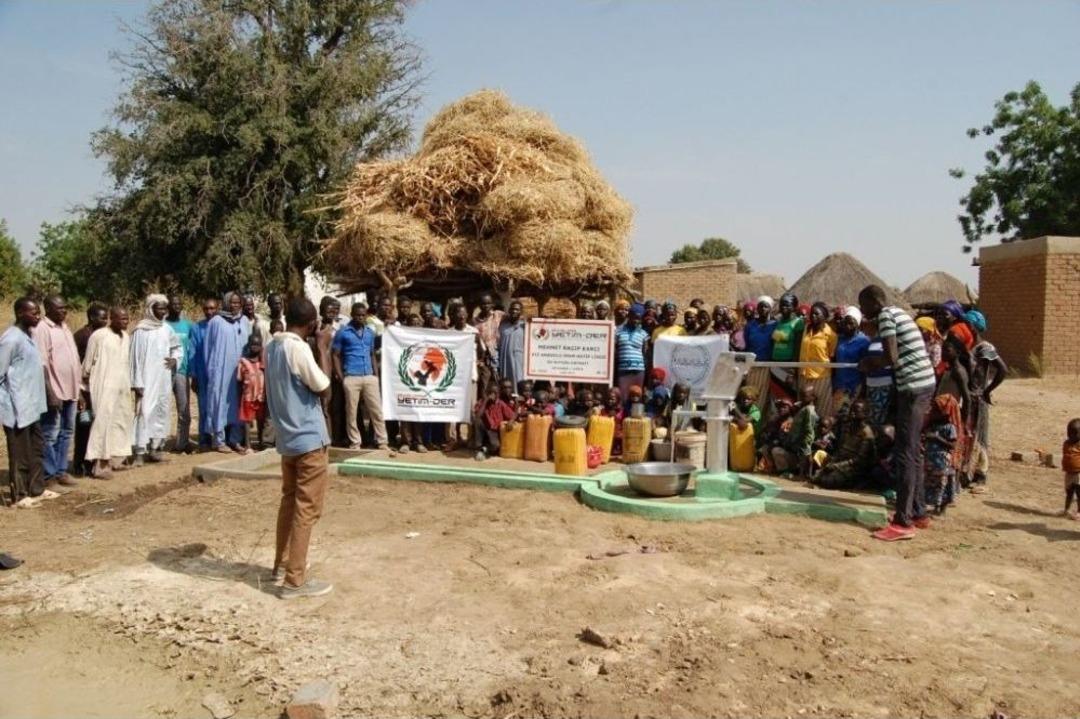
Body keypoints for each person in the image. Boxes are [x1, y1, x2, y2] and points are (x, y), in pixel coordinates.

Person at [265, 297, 334, 599]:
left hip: (288, 440)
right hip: (309, 440)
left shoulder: (272, 347)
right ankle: (294, 581)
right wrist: (323, 348)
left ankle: (281, 565)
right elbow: (324, 388)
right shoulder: (299, 348)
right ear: (312, 323)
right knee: (306, 509)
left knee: (289, 502)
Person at [858, 284, 936, 541]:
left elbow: (890, 358)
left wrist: (869, 364)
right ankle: (918, 511)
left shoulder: (886, 317)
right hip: (922, 385)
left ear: (874, 301)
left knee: (905, 453)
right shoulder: (899, 313)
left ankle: (903, 522)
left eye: (863, 305)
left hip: (913, 388)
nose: (862, 311)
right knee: (912, 451)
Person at [1, 298, 48, 506]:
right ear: (20, 313)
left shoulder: (28, 335)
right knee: (19, 453)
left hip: (32, 406)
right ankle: (20, 495)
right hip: (16, 408)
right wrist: (6, 404)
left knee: (36, 449)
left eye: (39, 312)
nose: (38, 316)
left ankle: (36, 489)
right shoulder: (11, 339)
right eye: (34, 313)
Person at [32, 295, 81, 488]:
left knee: (66, 432)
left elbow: (73, 362)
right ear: (48, 309)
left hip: (71, 390)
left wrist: (79, 391)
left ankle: (61, 471)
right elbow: (41, 363)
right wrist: (50, 392)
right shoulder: (42, 329)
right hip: (55, 391)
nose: (64, 311)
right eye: (59, 308)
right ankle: (48, 475)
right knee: (50, 434)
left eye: (65, 307)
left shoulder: (65, 327)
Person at [83, 307, 135, 479]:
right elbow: (87, 364)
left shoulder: (125, 337)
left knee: (120, 420)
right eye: (122, 319)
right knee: (102, 423)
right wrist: (84, 389)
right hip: (103, 385)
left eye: (127, 319)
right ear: (112, 318)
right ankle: (100, 465)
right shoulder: (99, 336)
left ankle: (115, 459)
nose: (126, 322)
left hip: (121, 385)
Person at [130, 294, 181, 465]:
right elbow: (134, 358)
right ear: (151, 309)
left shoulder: (167, 329)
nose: (163, 311)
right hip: (146, 380)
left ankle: (155, 449)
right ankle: (139, 452)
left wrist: (175, 359)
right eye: (160, 308)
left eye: (165, 308)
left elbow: (177, 347)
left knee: (161, 412)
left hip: (163, 379)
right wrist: (137, 382)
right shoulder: (141, 331)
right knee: (144, 412)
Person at [332, 302, 388, 450]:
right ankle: (355, 442)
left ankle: (382, 441)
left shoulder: (369, 333)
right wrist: (341, 376)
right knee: (351, 412)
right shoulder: (343, 332)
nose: (360, 318)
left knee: (376, 410)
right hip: (351, 376)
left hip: (369, 376)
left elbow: (372, 354)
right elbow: (335, 355)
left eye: (363, 315)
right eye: (358, 315)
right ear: (352, 315)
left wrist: (376, 375)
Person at [964, 309, 1006, 493]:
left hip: (978, 396)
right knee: (968, 433)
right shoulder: (968, 345)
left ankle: (981, 474)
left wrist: (987, 390)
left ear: (974, 327)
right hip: (968, 396)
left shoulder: (984, 347)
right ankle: (968, 471)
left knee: (980, 435)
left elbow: (1002, 369)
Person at [203, 292, 251, 453]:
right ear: (225, 303)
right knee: (220, 403)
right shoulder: (216, 322)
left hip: (240, 371)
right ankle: (219, 440)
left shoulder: (244, 321)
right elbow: (208, 348)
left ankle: (235, 439)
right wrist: (212, 370)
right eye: (232, 302)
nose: (235, 305)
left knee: (237, 404)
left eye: (237, 302)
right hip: (221, 372)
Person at [72, 303, 109, 476]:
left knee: (96, 427)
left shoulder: (103, 335)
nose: (106, 321)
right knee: (84, 426)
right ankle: (79, 463)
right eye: (103, 318)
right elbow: (74, 365)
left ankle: (91, 462)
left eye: (107, 318)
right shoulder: (82, 336)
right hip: (84, 392)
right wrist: (79, 394)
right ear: (92, 318)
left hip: (99, 390)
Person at [812, 400, 877, 491]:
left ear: (864, 414)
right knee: (817, 475)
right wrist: (832, 463)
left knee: (827, 481)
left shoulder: (866, 433)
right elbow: (841, 450)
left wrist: (836, 466)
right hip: (842, 463)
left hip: (854, 468)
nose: (852, 413)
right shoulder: (847, 428)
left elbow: (858, 460)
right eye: (851, 410)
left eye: (856, 411)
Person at [164, 294, 195, 453]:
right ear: (168, 306)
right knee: (161, 408)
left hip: (182, 371)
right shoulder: (162, 325)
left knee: (184, 409)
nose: (176, 307)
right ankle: (156, 444)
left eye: (179, 304)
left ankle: (182, 442)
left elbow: (192, 348)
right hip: (164, 372)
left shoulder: (187, 326)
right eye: (173, 304)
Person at [188, 297, 220, 448]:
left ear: (217, 309)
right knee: (204, 407)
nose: (209, 312)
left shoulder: (222, 326)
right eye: (206, 309)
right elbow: (192, 351)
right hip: (202, 373)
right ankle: (204, 440)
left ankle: (221, 438)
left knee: (219, 406)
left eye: (212, 308)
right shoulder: (196, 328)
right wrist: (193, 375)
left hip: (218, 373)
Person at [799, 301, 838, 418]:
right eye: (811, 313)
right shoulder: (806, 329)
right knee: (804, 410)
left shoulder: (830, 335)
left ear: (825, 317)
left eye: (817, 314)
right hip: (804, 375)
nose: (813, 316)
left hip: (821, 377)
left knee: (822, 410)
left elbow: (832, 357)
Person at [923, 395, 961, 515]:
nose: (933, 411)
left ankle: (940, 507)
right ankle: (933, 504)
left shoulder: (950, 427)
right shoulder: (932, 424)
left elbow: (952, 445)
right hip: (931, 461)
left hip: (943, 462)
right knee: (931, 483)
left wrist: (937, 438)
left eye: (936, 409)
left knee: (942, 484)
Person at [770, 385, 817, 477]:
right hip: (793, 449)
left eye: (805, 396)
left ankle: (799, 474)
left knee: (777, 451)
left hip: (800, 452)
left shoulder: (810, 411)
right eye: (801, 395)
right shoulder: (803, 409)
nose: (802, 398)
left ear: (813, 397)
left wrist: (805, 450)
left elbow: (809, 432)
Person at [832, 307, 870, 415]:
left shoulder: (864, 341)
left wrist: (863, 390)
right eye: (845, 322)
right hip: (839, 386)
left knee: (852, 415)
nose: (847, 326)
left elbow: (866, 368)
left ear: (857, 324)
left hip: (855, 386)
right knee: (838, 415)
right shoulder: (839, 339)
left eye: (851, 323)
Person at [742, 297, 776, 410]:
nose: (763, 309)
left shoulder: (775, 325)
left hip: (767, 367)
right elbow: (747, 344)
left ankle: (759, 419)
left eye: (766, 306)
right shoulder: (750, 326)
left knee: (763, 398)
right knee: (750, 395)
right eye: (761, 306)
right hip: (752, 366)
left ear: (770, 309)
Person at [473, 378, 517, 460]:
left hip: (494, 431)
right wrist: (486, 401)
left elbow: (513, 415)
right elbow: (478, 415)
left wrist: (511, 421)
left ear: (499, 394)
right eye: (490, 393)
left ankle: (484, 449)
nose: (493, 395)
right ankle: (478, 446)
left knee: (495, 445)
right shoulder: (482, 402)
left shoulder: (501, 403)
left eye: (495, 393)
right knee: (478, 421)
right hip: (484, 428)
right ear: (486, 393)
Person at [238, 334, 267, 450]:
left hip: (260, 397)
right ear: (249, 345)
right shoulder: (243, 362)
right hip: (248, 396)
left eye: (258, 345)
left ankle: (261, 442)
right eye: (253, 344)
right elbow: (239, 380)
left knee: (261, 420)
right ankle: (248, 445)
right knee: (247, 420)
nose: (255, 347)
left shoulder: (263, 363)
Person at [614, 306, 648, 398]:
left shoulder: (643, 334)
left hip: (638, 370)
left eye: (639, 319)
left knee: (636, 396)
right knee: (623, 396)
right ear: (629, 316)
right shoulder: (618, 332)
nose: (636, 321)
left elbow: (644, 352)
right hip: (623, 370)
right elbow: (615, 350)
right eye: (635, 317)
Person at [497, 300, 527, 392]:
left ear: (521, 312)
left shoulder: (525, 326)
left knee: (519, 380)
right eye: (512, 309)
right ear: (509, 311)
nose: (514, 311)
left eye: (517, 309)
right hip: (505, 360)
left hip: (519, 360)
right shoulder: (502, 326)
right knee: (506, 382)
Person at [472, 293, 504, 370]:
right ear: (479, 305)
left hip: (497, 354)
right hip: (483, 356)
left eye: (488, 303)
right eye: (483, 304)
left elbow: (513, 317)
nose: (486, 306)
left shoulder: (498, 315)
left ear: (492, 304)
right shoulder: (474, 321)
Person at [1062, 418, 1080, 519]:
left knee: (1079, 493)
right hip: (1069, 473)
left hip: (1078, 473)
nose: (1071, 435)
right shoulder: (1066, 443)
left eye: (1075, 433)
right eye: (1069, 433)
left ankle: (1079, 512)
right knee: (1069, 492)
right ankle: (1066, 509)